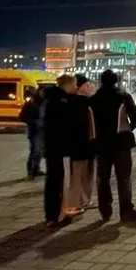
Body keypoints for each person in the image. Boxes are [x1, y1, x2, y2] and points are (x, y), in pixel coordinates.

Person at [90, 69, 136, 222]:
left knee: (103, 178)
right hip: (121, 143)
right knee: (124, 177)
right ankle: (126, 210)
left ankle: (105, 210)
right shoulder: (123, 97)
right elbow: (135, 115)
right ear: (116, 81)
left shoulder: (93, 100)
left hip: (101, 144)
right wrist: (129, 127)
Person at [41, 74, 78, 227]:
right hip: (62, 149)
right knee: (61, 183)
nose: (76, 87)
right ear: (68, 85)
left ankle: (51, 215)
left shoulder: (49, 100)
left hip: (51, 148)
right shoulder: (62, 102)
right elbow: (68, 127)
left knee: (52, 182)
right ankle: (60, 214)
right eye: (74, 84)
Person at [65, 74, 96, 215]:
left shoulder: (87, 102)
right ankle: (75, 203)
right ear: (78, 87)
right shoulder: (75, 103)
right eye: (86, 85)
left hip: (89, 145)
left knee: (88, 174)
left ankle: (86, 200)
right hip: (79, 146)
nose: (89, 87)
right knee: (77, 176)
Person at [19, 86, 45, 180]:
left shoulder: (44, 102)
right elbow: (22, 116)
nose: (42, 93)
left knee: (40, 151)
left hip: (43, 130)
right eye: (41, 91)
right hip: (35, 131)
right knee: (35, 150)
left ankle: (36, 169)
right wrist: (33, 123)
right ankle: (30, 171)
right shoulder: (30, 103)